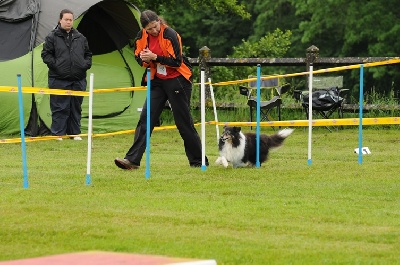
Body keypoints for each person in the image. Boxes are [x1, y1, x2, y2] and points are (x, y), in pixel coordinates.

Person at [114, 10, 208, 169]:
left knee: (183, 122)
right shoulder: (141, 36)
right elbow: (138, 58)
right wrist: (143, 59)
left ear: (159, 21)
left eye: (155, 26)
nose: (154, 31)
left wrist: (155, 57)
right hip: (157, 79)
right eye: (150, 29)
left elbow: (177, 62)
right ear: (144, 29)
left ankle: (199, 161)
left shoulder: (171, 35)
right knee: (146, 118)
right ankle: (132, 161)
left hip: (177, 79)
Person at [41, 9, 92, 141]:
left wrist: (84, 65)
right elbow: (46, 55)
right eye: (66, 19)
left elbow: (88, 55)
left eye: (71, 19)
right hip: (58, 79)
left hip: (78, 79)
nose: (69, 22)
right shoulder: (51, 37)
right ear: (60, 20)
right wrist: (57, 66)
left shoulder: (81, 37)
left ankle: (74, 133)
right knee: (59, 107)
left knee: (76, 107)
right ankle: (58, 134)